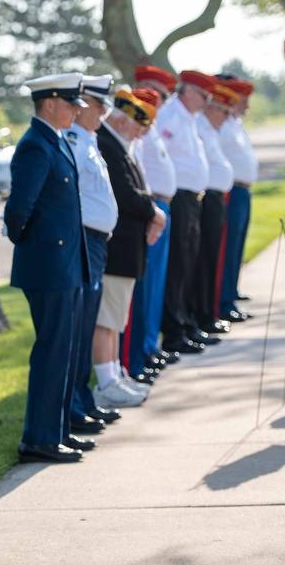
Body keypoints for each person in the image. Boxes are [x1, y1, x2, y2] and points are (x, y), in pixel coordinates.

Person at [4, 72, 90, 464]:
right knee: (53, 352)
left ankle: (55, 433)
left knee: (64, 351)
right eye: (71, 104)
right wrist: (36, 246)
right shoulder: (36, 145)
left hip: (66, 263)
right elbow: (18, 209)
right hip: (50, 265)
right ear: (50, 103)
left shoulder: (55, 141)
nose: (76, 111)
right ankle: (38, 438)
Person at [93, 90, 165, 409]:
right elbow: (124, 194)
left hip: (126, 249)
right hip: (117, 248)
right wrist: (154, 211)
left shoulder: (119, 145)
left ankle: (115, 373)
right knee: (108, 318)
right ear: (123, 122)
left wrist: (150, 209)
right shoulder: (108, 145)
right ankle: (106, 380)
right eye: (138, 127)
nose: (140, 134)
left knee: (115, 317)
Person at [65, 74, 121, 434]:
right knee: (79, 327)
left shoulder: (88, 140)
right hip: (84, 240)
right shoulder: (73, 141)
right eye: (97, 104)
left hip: (98, 241)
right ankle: (74, 406)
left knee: (85, 327)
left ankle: (82, 401)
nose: (102, 111)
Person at [156, 71, 216, 355]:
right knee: (178, 266)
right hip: (178, 197)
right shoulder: (170, 117)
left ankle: (187, 323)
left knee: (189, 264)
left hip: (192, 199)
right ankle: (174, 331)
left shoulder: (188, 118)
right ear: (188, 91)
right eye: (204, 96)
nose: (207, 102)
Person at [129, 65, 180, 375]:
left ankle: (149, 344)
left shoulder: (153, 124)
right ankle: (144, 347)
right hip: (148, 208)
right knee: (145, 285)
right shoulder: (135, 118)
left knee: (156, 282)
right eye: (158, 94)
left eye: (161, 97)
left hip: (160, 207)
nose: (161, 102)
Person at [190, 84, 240, 336]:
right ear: (210, 108)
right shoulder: (199, 125)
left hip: (214, 198)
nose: (226, 117)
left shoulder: (209, 128)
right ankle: (203, 316)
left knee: (211, 260)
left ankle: (207, 314)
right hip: (206, 198)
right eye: (223, 111)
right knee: (204, 261)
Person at [216, 75, 258, 323]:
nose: (246, 106)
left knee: (237, 247)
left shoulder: (235, 124)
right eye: (243, 100)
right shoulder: (223, 125)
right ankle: (223, 301)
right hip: (231, 191)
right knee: (228, 248)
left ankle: (230, 292)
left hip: (243, 190)